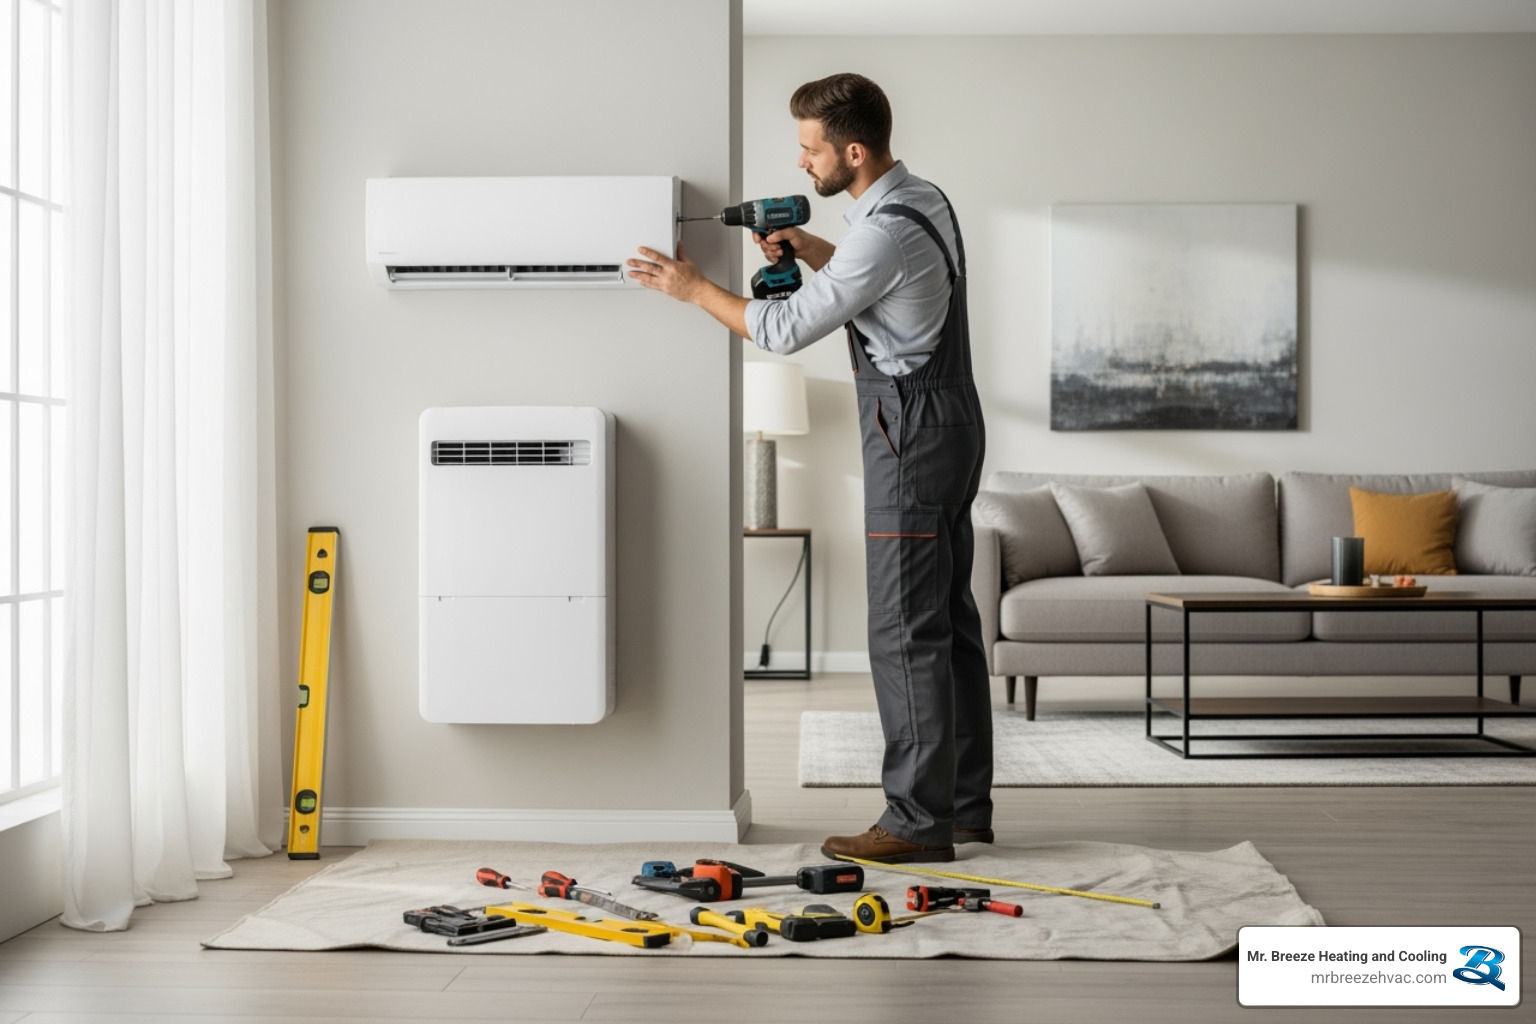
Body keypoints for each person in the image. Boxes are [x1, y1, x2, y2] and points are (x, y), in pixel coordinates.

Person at [627, 73, 991, 864]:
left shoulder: (880, 234)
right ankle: (961, 806)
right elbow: (879, 276)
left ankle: (915, 822)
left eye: (810, 149)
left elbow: (785, 328)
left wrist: (694, 290)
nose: (801, 164)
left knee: (904, 629)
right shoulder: (919, 201)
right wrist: (816, 250)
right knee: (949, 621)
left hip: (910, 432)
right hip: (953, 420)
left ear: (852, 152)